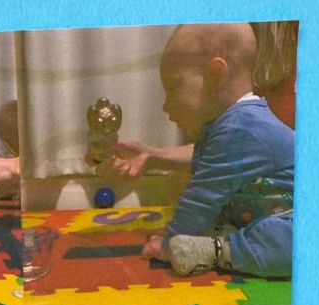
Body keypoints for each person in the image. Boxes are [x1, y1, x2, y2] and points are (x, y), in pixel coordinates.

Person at [109, 23, 294, 278]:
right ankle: (222, 243)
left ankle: (216, 251)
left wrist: (170, 241)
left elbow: (201, 197)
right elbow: (205, 168)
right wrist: (152, 157)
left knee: (292, 242)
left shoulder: (243, 126)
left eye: (173, 89)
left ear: (216, 76)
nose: (165, 105)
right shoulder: (227, 125)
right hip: (262, 218)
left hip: (296, 219)